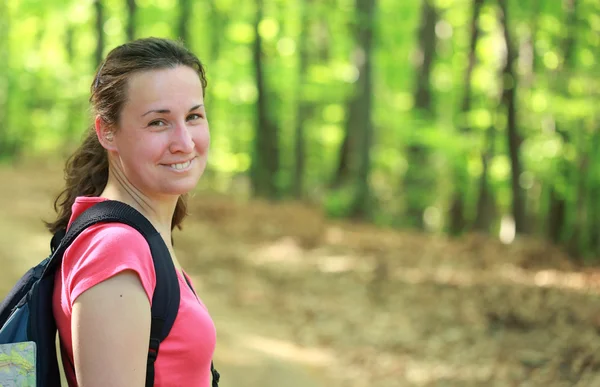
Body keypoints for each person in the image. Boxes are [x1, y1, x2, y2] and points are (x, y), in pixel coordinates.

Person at [45, 37, 216, 386]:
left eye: (193, 116)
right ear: (108, 132)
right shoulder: (115, 251)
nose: (184, 142)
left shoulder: (137, 236)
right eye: (158, 122)